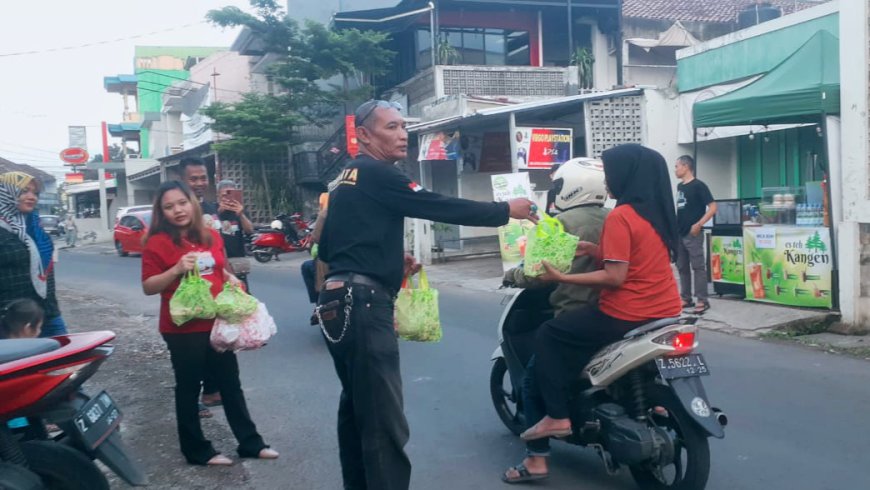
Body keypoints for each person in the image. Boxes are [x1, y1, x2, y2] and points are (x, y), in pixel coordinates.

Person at [317, 99, 537, 490]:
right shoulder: (377, 172)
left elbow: (330, 245)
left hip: (337, 301)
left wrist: (386, 257)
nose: (402, 134)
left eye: (403, 126)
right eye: (390, 127)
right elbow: (437, 205)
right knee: (384, 423)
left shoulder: (345, 178)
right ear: (364, 134)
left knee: (357, 411)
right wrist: (506, 209)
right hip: (364, 304)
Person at [513, 145, 682, 476]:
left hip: (627, 312)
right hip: (665, 310)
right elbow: (630, 257)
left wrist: (562, 276)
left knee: (550, 334)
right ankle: (653, 402)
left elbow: (615, 276)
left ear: (627, 175)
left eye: (609, 173)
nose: (606, 182)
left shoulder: (622, 215)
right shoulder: (657, 213)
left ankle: (558, 417)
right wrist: (591, 248)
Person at [141, 180, 278, 466]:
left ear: (192, 202)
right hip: (182, 328)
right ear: (161, 212)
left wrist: (230, 279)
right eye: (169, 207)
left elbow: (220, 268)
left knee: (230, 384)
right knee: (189, 387)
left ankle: (250, 443)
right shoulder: (156, 242)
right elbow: (149, 286)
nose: (177, 210)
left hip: (217, 322)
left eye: (181, 203)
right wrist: (177, 269)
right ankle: (197, 450)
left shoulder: (210, 236)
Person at [501, 159, 609, 484]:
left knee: (533, 380)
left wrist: (512, 275)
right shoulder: (616, 217)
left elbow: (538, 273)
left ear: (569, 187)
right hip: (622, 313)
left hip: (576, 314)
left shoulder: (560, 222)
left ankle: (537, 460)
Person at [0, 171, 67, 338]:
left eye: (35, 193)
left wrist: (51, 309)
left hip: (47, 312)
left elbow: (45, 269)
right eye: (24, 191)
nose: (32, 197)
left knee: (63, 356)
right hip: (11, 321)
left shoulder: (34, 226)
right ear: (6, 192)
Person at [674, 155, 717, 315]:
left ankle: (702, 300)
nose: (675, 170)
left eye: (677, 166)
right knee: (682, 267)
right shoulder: (680, 187)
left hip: (693, 233)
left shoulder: (699, 186)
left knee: (698, 267)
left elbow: (713, 207)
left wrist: (699, 224)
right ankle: (686, 298)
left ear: (686, 166)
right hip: (680, 232)